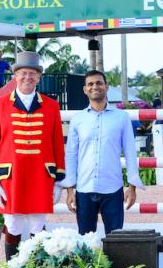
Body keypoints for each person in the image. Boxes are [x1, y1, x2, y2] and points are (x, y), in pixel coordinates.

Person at [0, 51, 65, 260]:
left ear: (39, 77)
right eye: (23, 73)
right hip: (11, 177)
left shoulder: (51, 106)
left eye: (32, 73)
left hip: (41, 176)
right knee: (12, 224)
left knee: (37, 225)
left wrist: (58, 181)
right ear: (15, 76)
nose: (27, 77)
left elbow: (57, 144)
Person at [61, 70, 143, 235]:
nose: (95, 87)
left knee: (116, 241)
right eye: (90, 84)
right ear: (85, 89)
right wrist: (70, 190)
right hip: (84, 189)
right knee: (85, 243)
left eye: (99, 83)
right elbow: (71, 155)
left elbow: (130, 152)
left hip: (113, 188)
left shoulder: (122, 117)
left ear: (106, 86)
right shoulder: (78, 120)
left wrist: (132, 186)